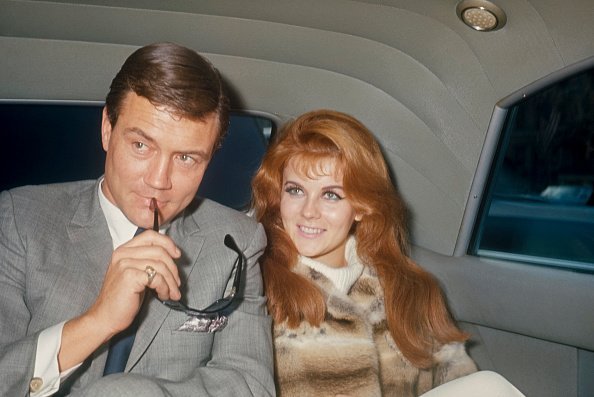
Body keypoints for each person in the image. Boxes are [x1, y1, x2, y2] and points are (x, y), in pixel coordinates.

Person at [0, 43, 274, 397]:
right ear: (107, 129)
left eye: (187, 158)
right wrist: (98, 321)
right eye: (141, 146)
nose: (160, 180)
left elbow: (250, 385)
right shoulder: (20, 219)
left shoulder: (236, 241)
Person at [251, 109, 524, 396]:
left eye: (331, 195)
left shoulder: (411, 290)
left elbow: (454, 377)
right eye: (295, 190)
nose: (308, 211)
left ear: (360, 206)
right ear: (277, 196)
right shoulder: (254, 288)